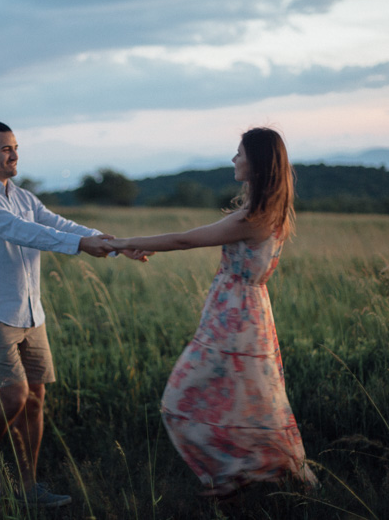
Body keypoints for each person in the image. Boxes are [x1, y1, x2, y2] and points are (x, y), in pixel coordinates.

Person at [107, 127, 318, 497]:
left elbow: (185, 239)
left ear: (258, 162)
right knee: (250, 398)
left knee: (182, 399)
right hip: (241, 314)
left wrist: (125, 242)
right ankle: (247, 474)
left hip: (237, 319)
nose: (234, 159)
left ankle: (242, 471)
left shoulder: (254, 218)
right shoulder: (263, 211)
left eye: (240, 153)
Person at [0, 120, 142, 508]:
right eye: (6, 149)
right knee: (13, 396)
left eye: (16, 147)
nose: (14, 154)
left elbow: (56, 223)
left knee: (35, 399)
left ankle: (28, 489)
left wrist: (116, 243)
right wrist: (80, 245)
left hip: (30, 313)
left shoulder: (23, 196)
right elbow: (20, 231)